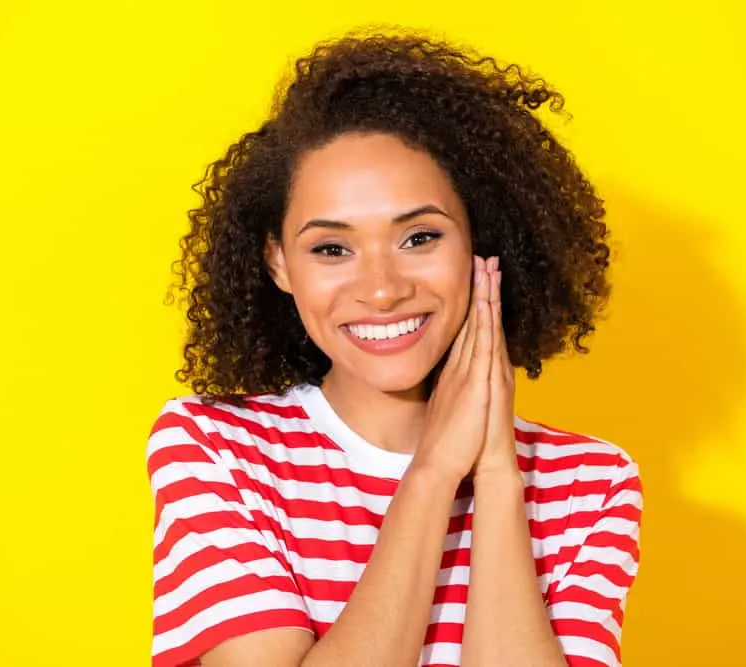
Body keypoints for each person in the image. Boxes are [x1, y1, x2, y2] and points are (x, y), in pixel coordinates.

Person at [147, 30, 643, 667]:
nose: (381, 290)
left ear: (478, 243)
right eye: (331, 248)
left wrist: (495, 476)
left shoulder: (590, 485)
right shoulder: (215, 448)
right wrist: (434, 472)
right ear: (278, 263)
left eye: (419, 238)